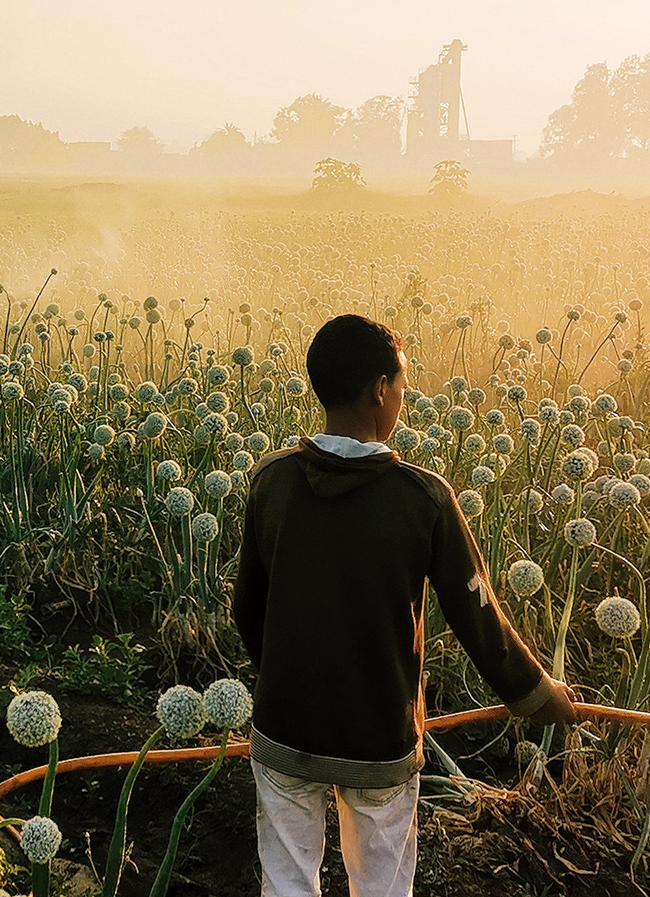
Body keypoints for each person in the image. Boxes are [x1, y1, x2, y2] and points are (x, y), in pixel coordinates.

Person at [232, 313, 575, 897]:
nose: (401, 403)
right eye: (403, 388)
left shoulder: (272, 482)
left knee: (286, 881)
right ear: (379, 390)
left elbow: (247, 608)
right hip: (379, 737)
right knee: (384, 883)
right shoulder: (424, 498)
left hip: (284, 727)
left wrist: (288, 677)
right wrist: (537, 695)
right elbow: (478, 616)